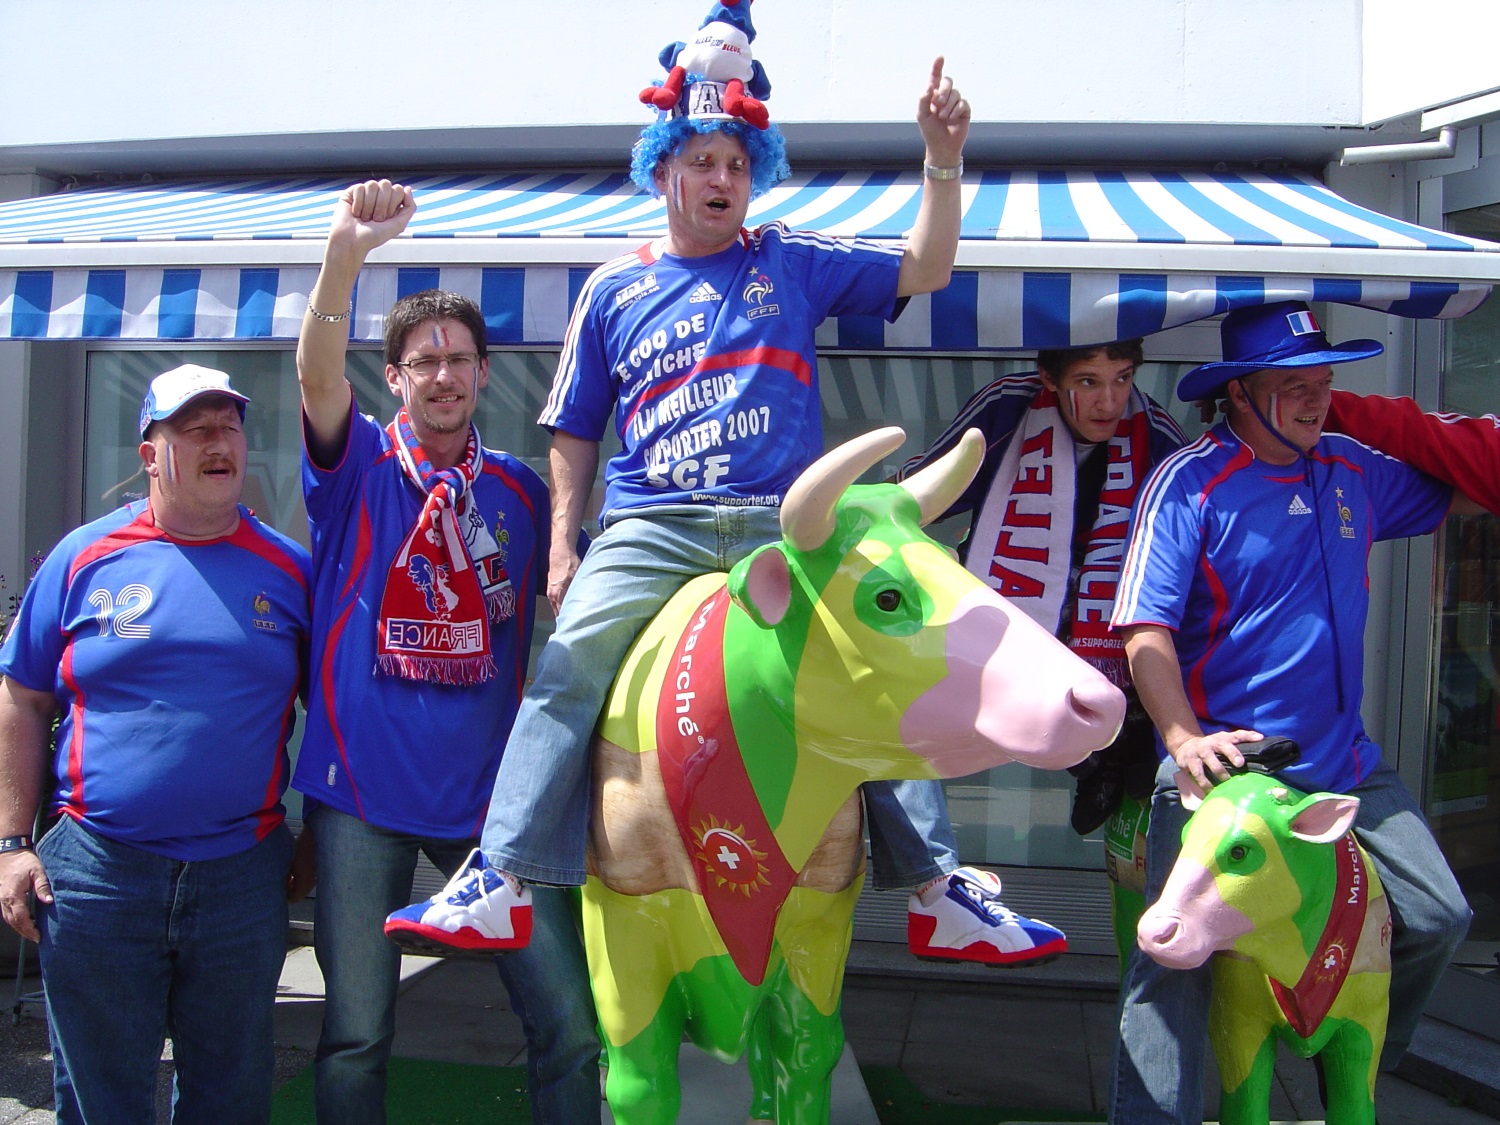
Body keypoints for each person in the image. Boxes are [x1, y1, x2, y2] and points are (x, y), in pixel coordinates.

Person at [388, 58, 1068, 967]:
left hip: (778, 522)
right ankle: (503, 871)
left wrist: (941, 159)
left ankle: (942, 889)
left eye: (739, 165)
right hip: (650, 524)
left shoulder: (790, 258)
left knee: (881, 654)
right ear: (662, 170)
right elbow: (574, 432)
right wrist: (561, 549)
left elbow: (929, 265)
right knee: (570, 663)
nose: (722, 179)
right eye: (703, 160)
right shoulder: (610, 288)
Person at [1107, 300, 1475, 1124]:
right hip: (1228, 775)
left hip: (1345, 766)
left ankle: (1362, 1051)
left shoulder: (1352, 467)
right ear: (1239, 392)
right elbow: (1143, 631)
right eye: (1294, 385)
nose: (1318, 400)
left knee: (1438, 915)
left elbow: (1462, 492)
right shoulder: (1190, 481)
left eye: (1325, 383)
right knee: (1173, 966)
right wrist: (1181, 737)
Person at [293, 182, 599, 1123]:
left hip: (493, 808)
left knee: (569, 1026)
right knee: (355, 1037)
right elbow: (314, 376)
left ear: (482, 374)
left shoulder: (517, 489)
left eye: (459, 359)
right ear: (393, 377)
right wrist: (346, 253)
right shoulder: (356, 472)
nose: (443, 376)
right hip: (359, 800)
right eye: (423, 361)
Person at [0, 365, 310, 1124]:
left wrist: (320, 836)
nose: (218, 440)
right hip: (99, 871)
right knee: (101, 1098)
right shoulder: (81, 557)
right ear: (151, 454)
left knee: (231, 1095)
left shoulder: (292, 571)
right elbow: (20, 695)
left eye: (228, 425)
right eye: (194, 427)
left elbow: (335, 716)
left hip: (242, 875)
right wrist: (11, 840)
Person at [898, 340, 1184, 963]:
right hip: (1011, 626)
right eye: (1088, 380)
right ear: (1049, 380)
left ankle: (1113, 776)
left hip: (1109, 632)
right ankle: (935, 885)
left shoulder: (1154, 430)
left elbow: (1187, 523)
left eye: (1123, 378)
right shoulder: (1008, 410)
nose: (1110, 401)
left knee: (1144, 734)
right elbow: (924, 491)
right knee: (895, 703)